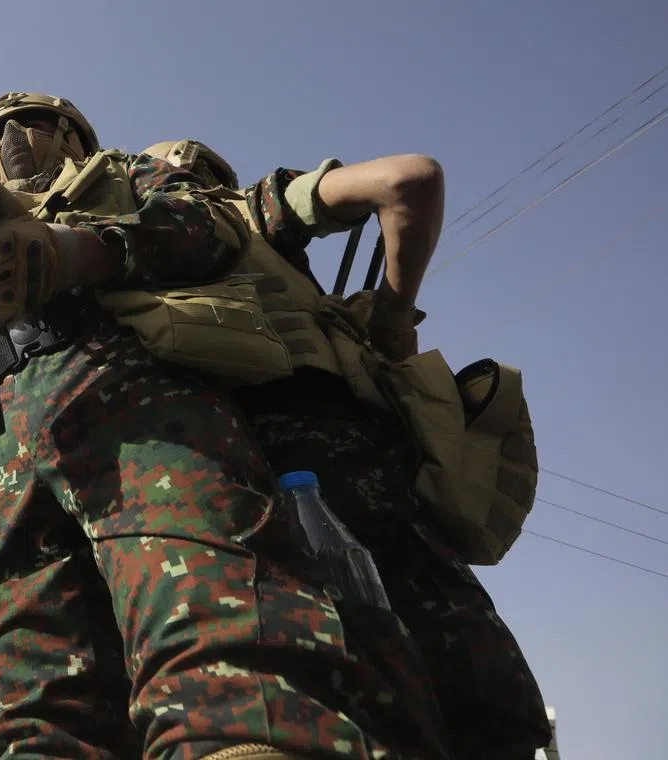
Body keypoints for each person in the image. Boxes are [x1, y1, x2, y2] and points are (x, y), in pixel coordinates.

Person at [0, 92, 455, 760]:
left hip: (130, 396)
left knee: (215, 649)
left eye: (31, 125)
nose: (12, 142)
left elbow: (208, 231)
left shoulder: (124, 174)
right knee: (22, 704)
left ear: (72, 132)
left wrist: (72, 252)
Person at [139, 139, 553, 759]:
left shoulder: (121, 256)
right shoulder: (255, 211)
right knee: (477, 701)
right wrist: (391, 318)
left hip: (219, 510)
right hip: (356, 468)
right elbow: (410, 182)